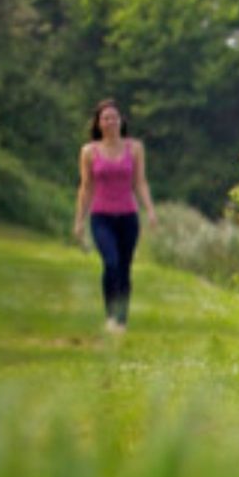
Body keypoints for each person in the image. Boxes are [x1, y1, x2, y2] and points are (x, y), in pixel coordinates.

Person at [73, 99, 153, 332]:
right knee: (111, 262)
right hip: (101, 217)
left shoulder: (135, 148)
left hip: (128, 216)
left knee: (125, 267)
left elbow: (140, 183)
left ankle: (122, 319)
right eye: (106, 118)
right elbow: (86, 187)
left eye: (114, 117)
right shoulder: (89, 151)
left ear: (121, 121)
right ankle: (110, 316)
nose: (111, 122)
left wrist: (150, 210)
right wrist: (79, 220)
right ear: (99, 123)